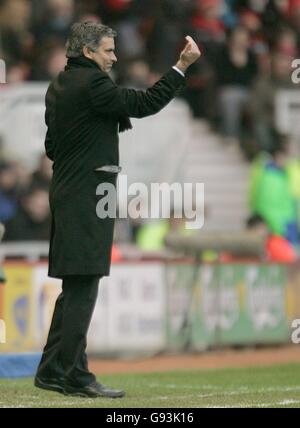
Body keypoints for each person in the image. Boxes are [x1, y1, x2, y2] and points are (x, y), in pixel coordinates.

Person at [34, 21, 200, 398]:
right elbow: (143, 104)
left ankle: (54, 370)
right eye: (108, 50)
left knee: (75, 285)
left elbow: (51, 145)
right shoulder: (92, 84)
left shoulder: (58, 85)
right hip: (88, 195)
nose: (114, 56)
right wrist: (181, 67)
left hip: (67, 191)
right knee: (84, 284)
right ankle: (72, 374)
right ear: (88, 51)